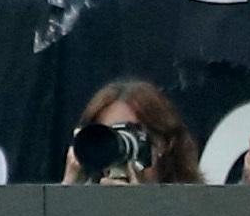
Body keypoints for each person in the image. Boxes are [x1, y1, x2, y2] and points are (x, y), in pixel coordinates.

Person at [61, 79, 206, 184]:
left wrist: (136, 205)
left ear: (164, 143)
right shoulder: (85, 211)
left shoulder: (197, 209)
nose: (117, 149)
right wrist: (69, 193)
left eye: (132, 134)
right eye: (107, 137)